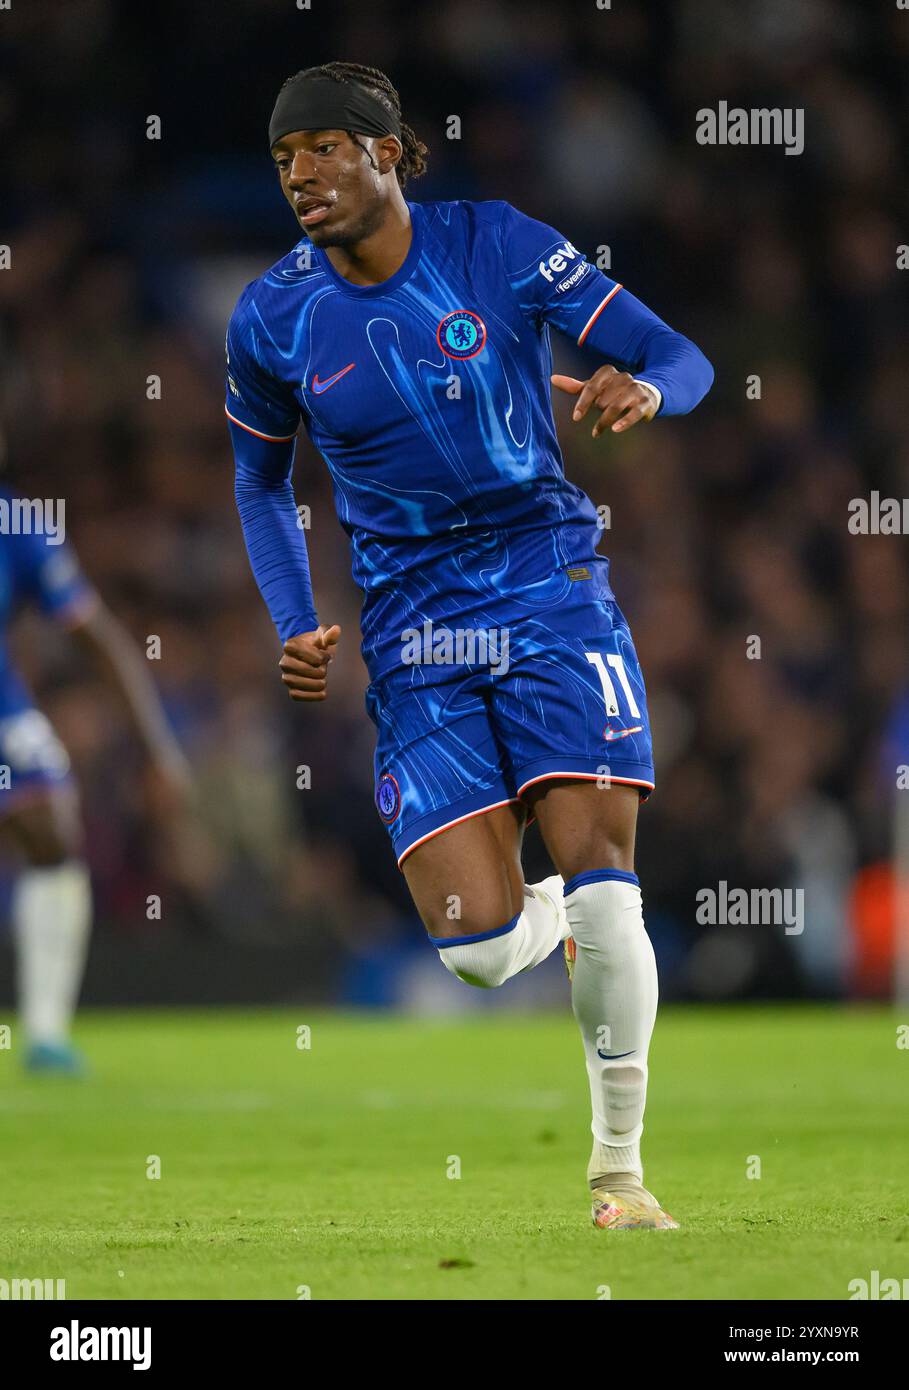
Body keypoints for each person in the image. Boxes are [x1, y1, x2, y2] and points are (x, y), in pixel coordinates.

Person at [226, 62, 713, 1227]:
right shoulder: (272, 316)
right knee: (483, 954)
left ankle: (619, 1174)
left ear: (388, 152)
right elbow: (255, 483)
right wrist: (296, 620)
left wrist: (644, 394)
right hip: (413, 629)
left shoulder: (498, 245)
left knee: (607, 893)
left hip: (550, 588)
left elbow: (680, 356)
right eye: (286, 158)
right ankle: (537, 920)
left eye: (326, 148)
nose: (301, 175)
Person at [0, 501, 189, 1073]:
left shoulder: (17, 522)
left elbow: (97, 637)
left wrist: (154, 748)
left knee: (50, 824)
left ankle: (46, 1033)